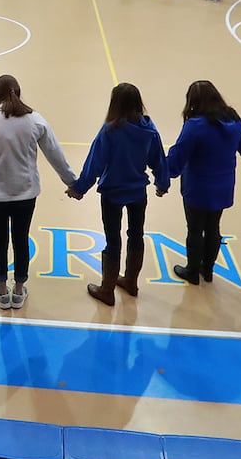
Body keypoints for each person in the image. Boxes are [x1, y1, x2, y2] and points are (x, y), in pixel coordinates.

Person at [0, 74, 76, 310]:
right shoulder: (35, 120)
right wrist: (72, 183)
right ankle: (19, 290)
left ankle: (2, 291)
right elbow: (55, 155)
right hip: (25, 195)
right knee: (21, 241)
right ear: (19, 93)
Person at [67, 83, 168, 304]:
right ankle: (131, 281)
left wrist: (78, 189)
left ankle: (107, 289)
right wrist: (163, 183)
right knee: (136, 235)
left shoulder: (110, 130)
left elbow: (94, 164)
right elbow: (158, 159)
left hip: (112, 194)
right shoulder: (149, 129)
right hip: (138, 193)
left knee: (113, 241)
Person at [165, 80, 241, 285]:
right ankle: (208, 270)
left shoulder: (195, 125)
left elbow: (180, 153)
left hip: (197, 186)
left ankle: (192, 271)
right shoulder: (234, 119)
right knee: (214, 226)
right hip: (223, 185)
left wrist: (166, 172)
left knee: (195, 229)